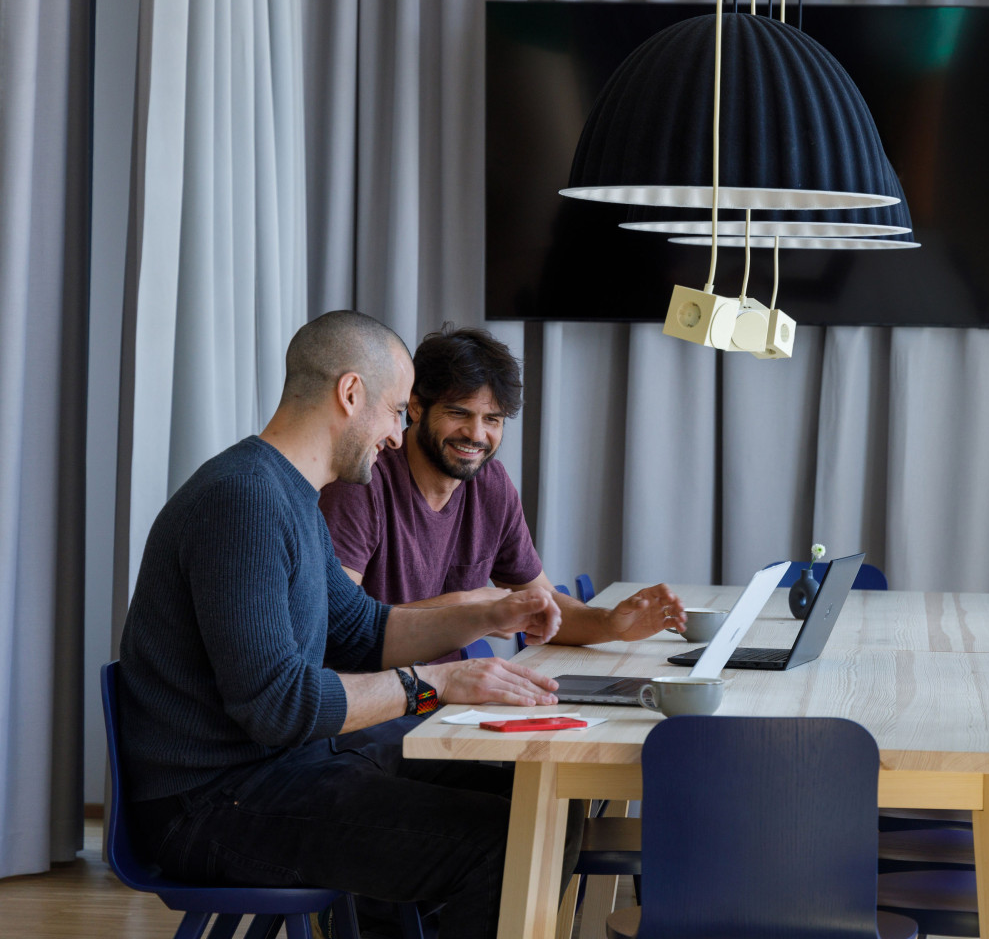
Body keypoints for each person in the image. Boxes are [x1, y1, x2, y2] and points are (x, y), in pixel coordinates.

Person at [118, 310, 565, 939]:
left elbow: (365, 631)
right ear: (351, 393)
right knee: (503, 843)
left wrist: (488, 619)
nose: (397, 436)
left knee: (537, 803)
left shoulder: (289, 494)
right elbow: (277, 705)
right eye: (396, 411)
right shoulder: (242, 500)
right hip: (213, 803)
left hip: (286, 770)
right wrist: (436, 684)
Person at [319, 324, 686, 654]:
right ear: (415, 407)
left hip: (446, 692)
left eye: (492, 419)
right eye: (459, 413)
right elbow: (337, 626)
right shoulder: (361, 482)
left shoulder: (490, 485)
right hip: (381, 696)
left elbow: (542, 604)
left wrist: (610, 625)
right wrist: (469, 606)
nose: (476, 435)